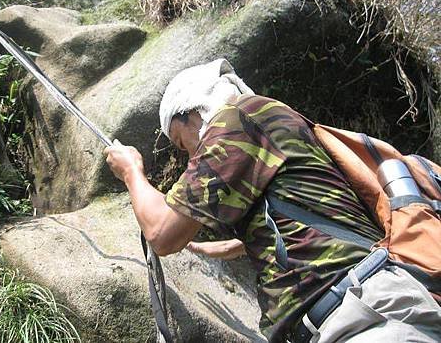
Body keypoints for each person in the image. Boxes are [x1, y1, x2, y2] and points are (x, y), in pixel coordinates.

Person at [104, 59, 441, 343]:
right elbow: (302, 211)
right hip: (364, 308)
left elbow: (162, 233)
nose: (191, 155)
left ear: (193, 112)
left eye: (183, 143)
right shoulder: (274, 120)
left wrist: (132, 171)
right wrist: (230, 247)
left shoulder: (237, 119)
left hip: (366, 318)